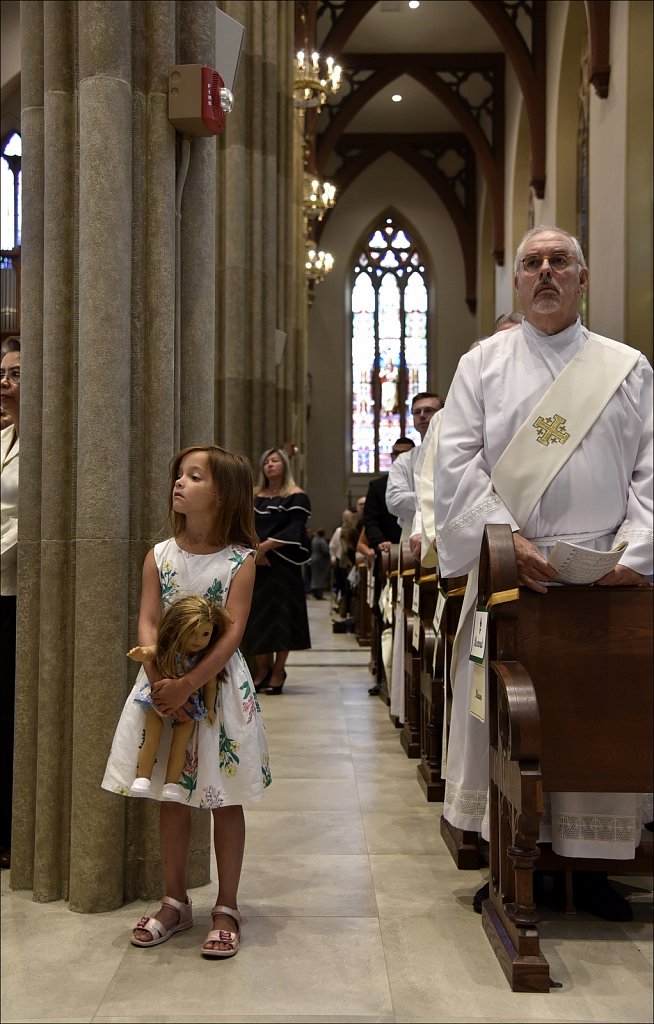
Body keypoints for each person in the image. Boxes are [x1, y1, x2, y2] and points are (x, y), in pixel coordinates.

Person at [434, 225, 653, 921]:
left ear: (583, 280)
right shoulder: (482, 365)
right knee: (512, 726)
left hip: (608, 585)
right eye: (533, 263)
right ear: (518, 283)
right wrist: (507, 540)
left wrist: (634, 555)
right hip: (513, 579)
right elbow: (457, 465)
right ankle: (509, 864)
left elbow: (650, 472)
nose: (547, 272)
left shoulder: (627, 368)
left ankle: (590, 869)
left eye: (561, 262)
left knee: (598, 721)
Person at [102, 444, 271, 956]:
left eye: (193, 477)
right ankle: (174, 900)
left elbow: (232, 633)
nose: (179, 483)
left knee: (224, 798)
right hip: (161, 687)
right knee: (168, 795)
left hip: (216, 688)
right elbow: (148, 621)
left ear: (222, 495)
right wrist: (159, 681)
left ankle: (228, 905)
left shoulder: (241, 560)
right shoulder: (159, 555)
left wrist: (190, 683)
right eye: (179, 475)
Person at [385, 394, 444, 718]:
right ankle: (405, 706)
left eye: (430, 410)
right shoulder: (406, 461)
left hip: (444, 539)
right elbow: (394, 500)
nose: (424, 416)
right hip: (413, 543)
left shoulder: (452, 449)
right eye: (418, 412)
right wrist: (432, 500)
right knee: (410, 618)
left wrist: (427, 500)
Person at [242, 447, 311, 694]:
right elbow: (244, 525)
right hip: (255, 565)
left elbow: (295, 529)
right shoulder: (254, 496)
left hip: (283, 566)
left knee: (282, 619)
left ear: (285, 465)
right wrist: (255, 551)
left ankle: (279, 669)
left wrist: (265, 548)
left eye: (275, 461)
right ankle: (262, 668)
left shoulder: (296, 496)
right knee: (257, 618)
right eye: (267, 461)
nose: (270, 465)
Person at [362, 436, 415, 695]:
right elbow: (370, 520)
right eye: (395, 454)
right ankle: (383, 678)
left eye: (405, 453)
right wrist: (379, 542)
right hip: (387, 557)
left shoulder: (422, 481)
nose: (399, 458)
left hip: (411, 555)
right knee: (383, 619)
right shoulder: (378, 485)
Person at [0, 337, 20, 870]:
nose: (3, 381)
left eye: (14, 373)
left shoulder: (41, 442)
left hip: (17, 588)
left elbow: (28, 522)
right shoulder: (1, 437)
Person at [309, 528, 331, 599]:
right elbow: (325, 551)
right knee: (321, 578)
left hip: (313, 558)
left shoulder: (314, 539)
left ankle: (314, 593)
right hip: (321, 561)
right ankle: (319, 594)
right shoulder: (322, 541)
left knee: (314, 577)